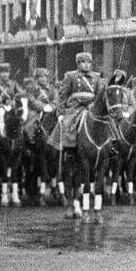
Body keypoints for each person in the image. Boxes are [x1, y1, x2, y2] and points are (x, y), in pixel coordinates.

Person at [48, 53, 99, 187]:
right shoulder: (71, 76)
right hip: (76, 107)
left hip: (92, 107)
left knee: (106, 122)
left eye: (88, 62)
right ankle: (70, 149)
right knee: (70, 124)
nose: (86, 65)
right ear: (78, 64)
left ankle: (111, 146)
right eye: (83, 62)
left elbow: (99, 94)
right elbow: (63, 95)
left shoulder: (97, 77)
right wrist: (61, 112)